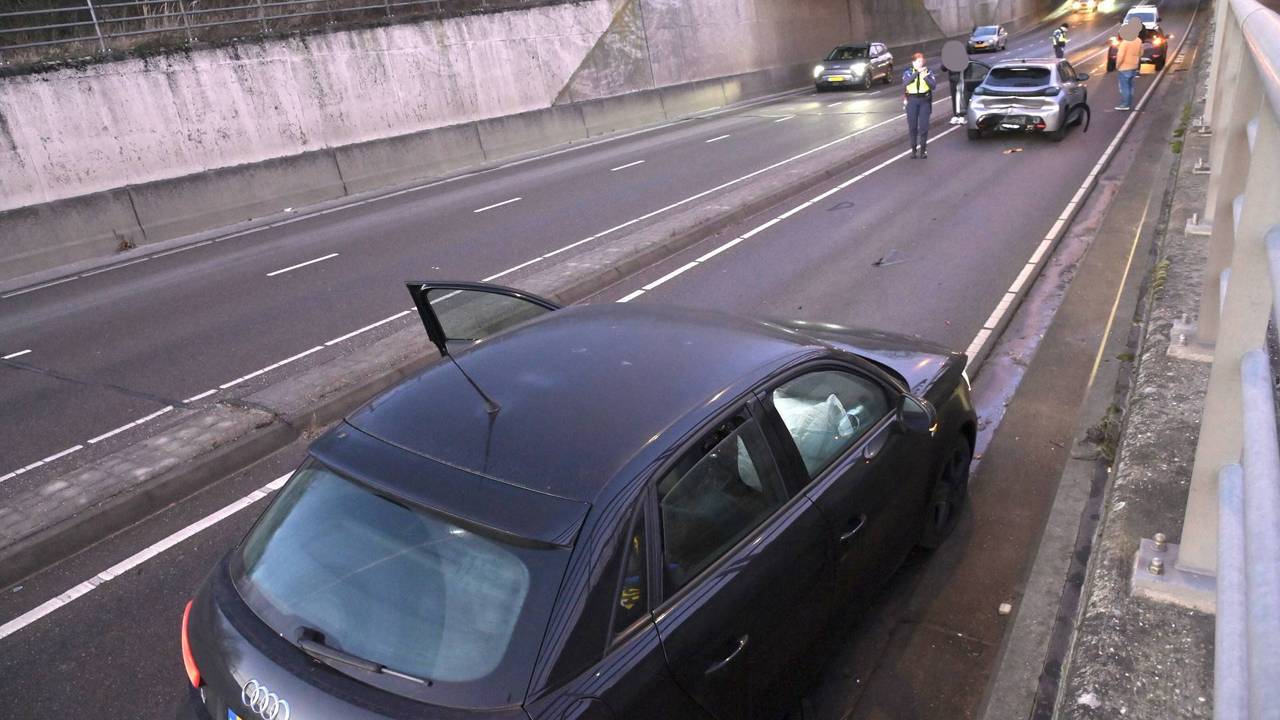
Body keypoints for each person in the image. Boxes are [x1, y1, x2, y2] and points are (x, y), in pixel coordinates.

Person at [903, 53, 936, 158]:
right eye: (918, 62)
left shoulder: (928, 72)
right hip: (912, 101)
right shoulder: (908, 72)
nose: (920, 64)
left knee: (924, 127)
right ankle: (913, 149)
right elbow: (906, 83)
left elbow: (933, 86)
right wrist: (916, 73)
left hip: (924, 101)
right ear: (913, 63)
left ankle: (923, 150)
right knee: (912, 127)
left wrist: (925, 77)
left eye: (921, 62)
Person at [1114, 32, 1142, 110]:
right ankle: (1129, 102)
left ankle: (1125, 104)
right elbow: (1141, 53)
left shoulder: (1125, 42)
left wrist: (1117, 66)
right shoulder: (1138, 40)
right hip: (1134, 66)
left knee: (1124, 87)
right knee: (1130, 85)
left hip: (1124, 67)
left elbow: (1120, 56)